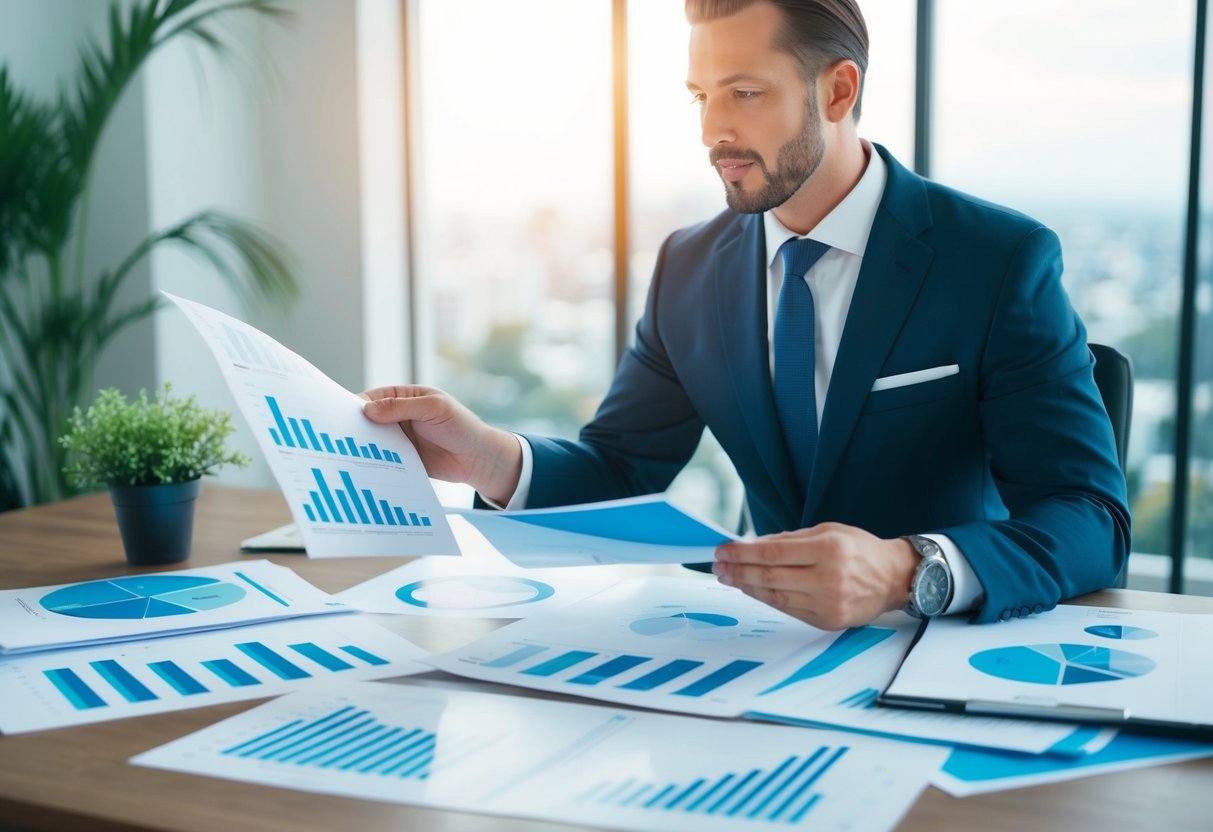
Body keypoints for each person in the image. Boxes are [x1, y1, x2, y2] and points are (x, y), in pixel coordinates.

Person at [362, 0, 1130, 630]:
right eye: (701, 97)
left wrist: (906, 570)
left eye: (745, 93)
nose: (710, 132)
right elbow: (624, 470)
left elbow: (1089, 517)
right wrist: (491, 460)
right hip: (761, 652)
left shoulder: (995, 260)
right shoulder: (688, 267)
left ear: (836, 91)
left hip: (935, 644)